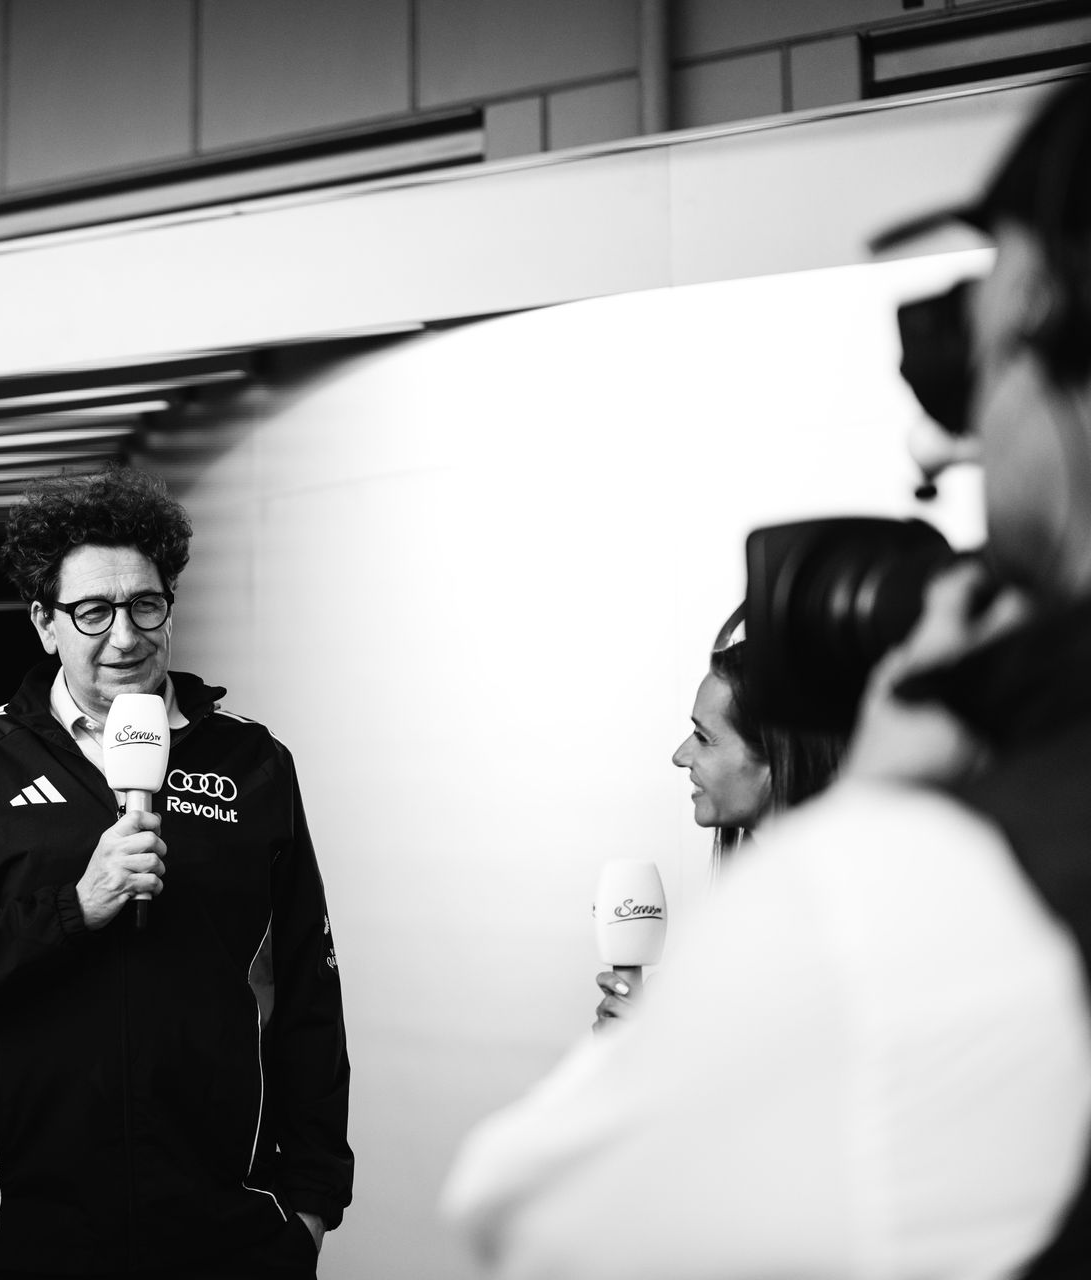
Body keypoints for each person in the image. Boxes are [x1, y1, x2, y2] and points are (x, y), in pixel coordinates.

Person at [445, 76, 1091, 1279]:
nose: (946, 440)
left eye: (990, 355)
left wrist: (877, 825)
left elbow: (532, 1220)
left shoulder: (944, 892)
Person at [0, 467, 352, 1279]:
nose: (125, 637)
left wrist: (307, 1208)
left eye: (146, 605)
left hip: (228, 1233)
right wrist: (73, 907)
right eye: (93, 611)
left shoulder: (252, 761)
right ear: (44, 623)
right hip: (34, 1234)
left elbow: (310, 992)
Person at [594, 617, 847, 1027]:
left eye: (704, 737)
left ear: (776, 757)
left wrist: (675, 1046)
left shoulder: (825, 927)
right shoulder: (747, 914)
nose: (680, 755)